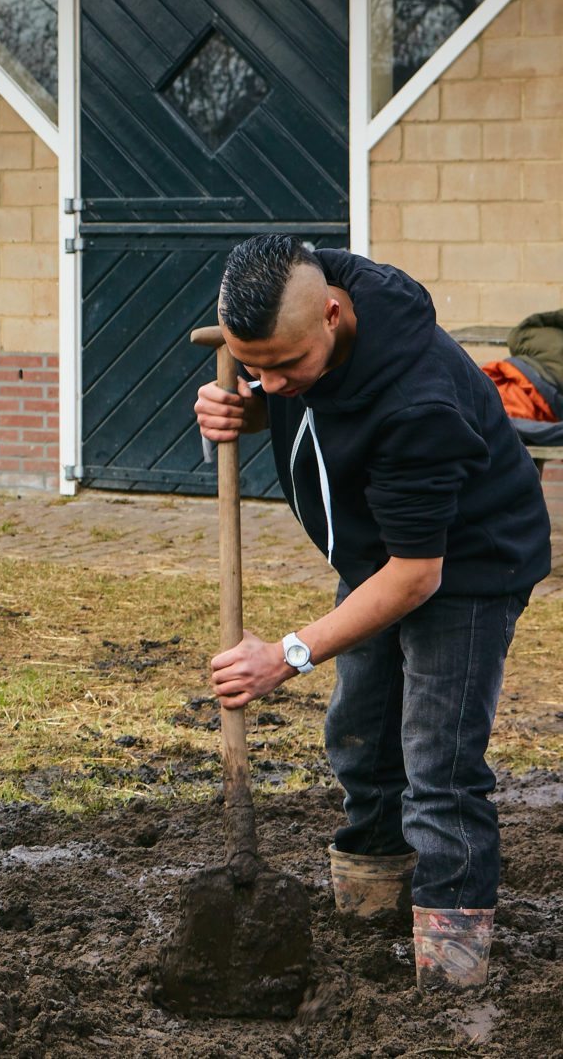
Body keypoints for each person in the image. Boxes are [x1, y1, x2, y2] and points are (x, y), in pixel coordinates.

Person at [194, 234, 549, 990]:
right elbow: (290, 390)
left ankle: (452, 967)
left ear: (332, 316)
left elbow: (418, 578)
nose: (272, 379)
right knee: (360, 732)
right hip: (376, 558)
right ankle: (372, 903)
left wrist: (287, 654)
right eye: (254, 362)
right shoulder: (303, 293)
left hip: (469, 565)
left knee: (440, 761)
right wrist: (245, 407)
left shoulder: (417, 400)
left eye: (286, 365)